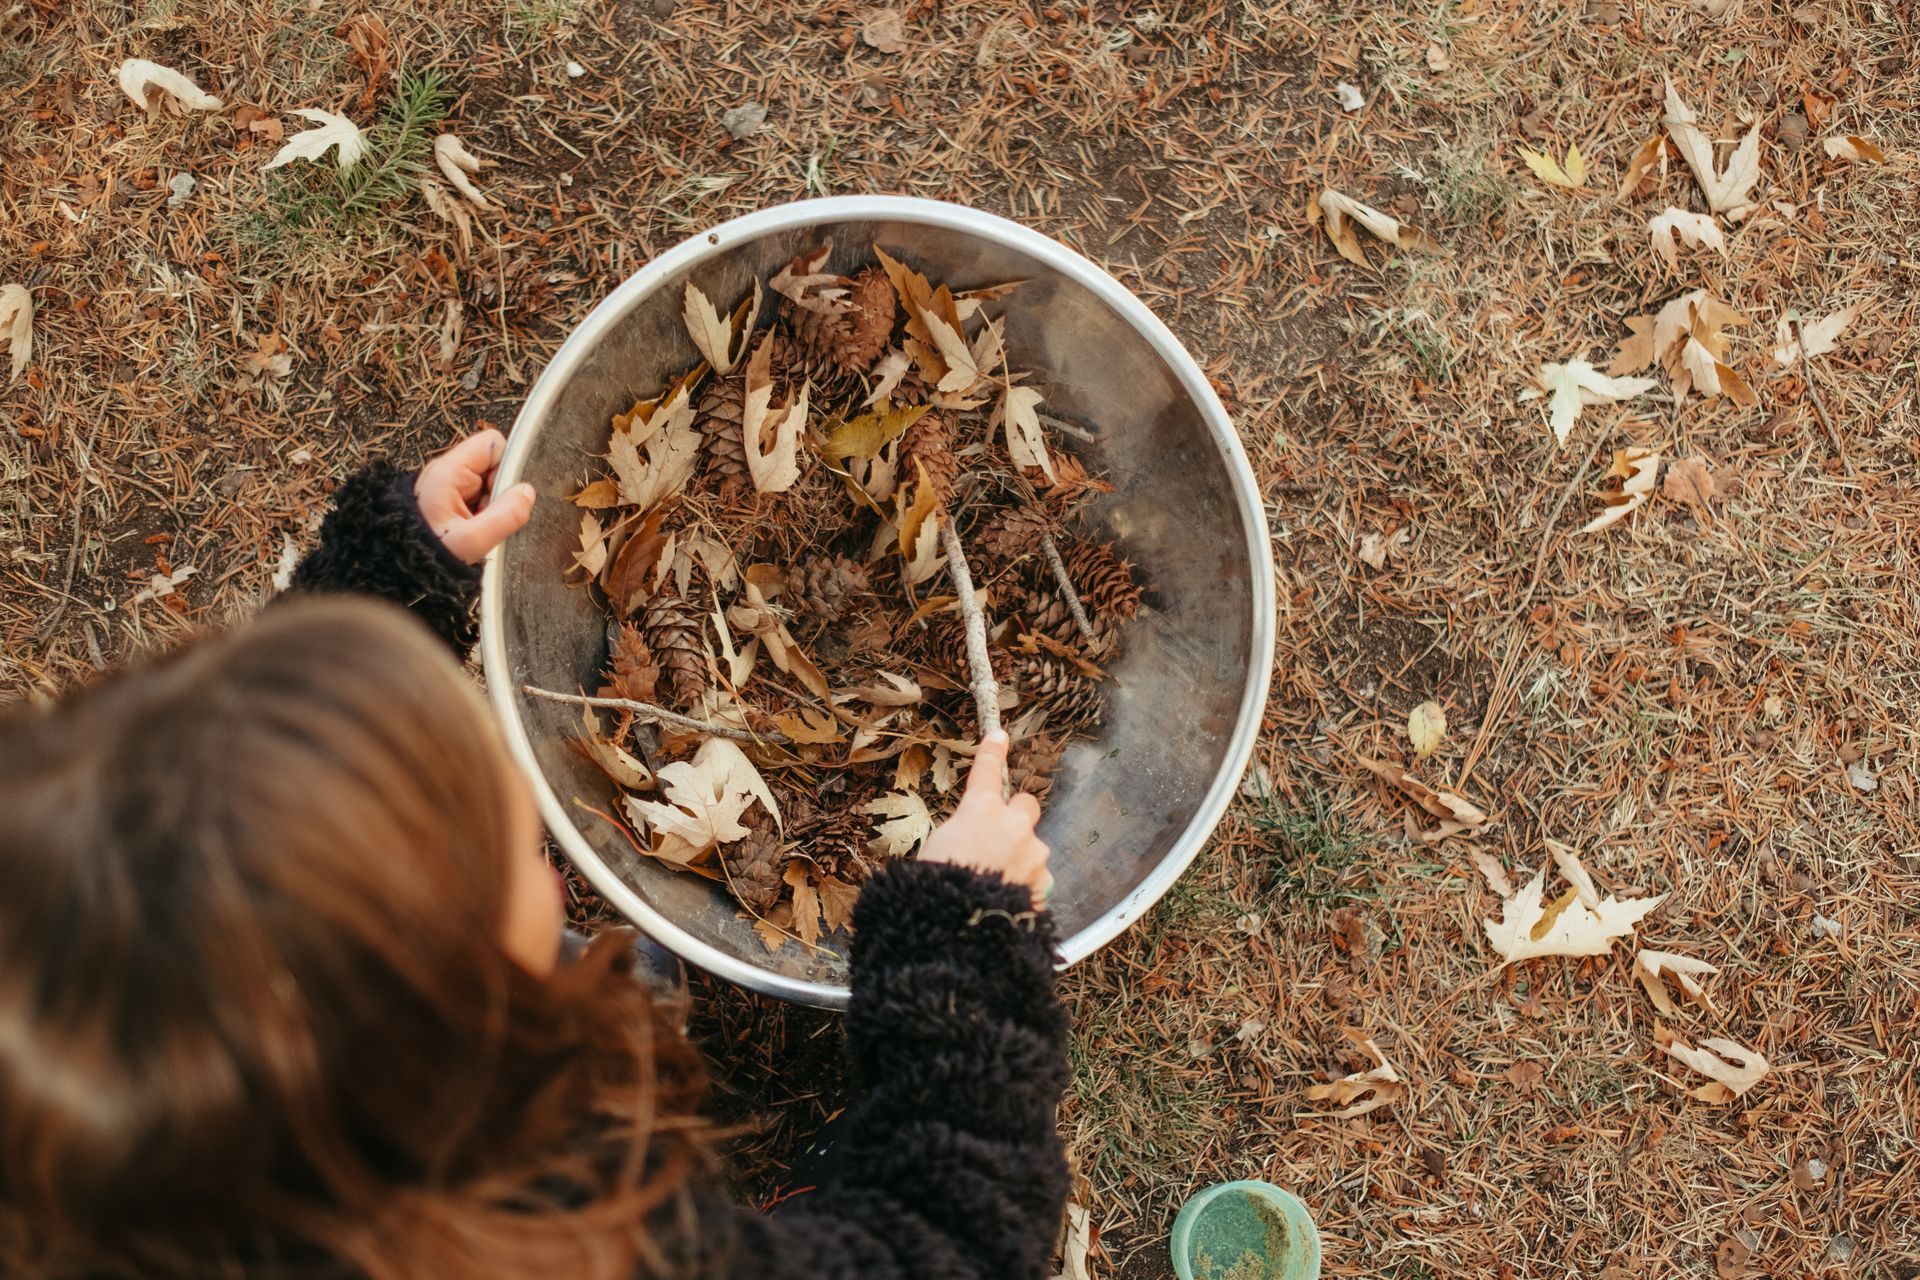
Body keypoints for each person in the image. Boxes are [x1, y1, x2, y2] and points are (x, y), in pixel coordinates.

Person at [0, 430, 1067, 1280]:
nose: (542, 838)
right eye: (512, 850)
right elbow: (957, 1239)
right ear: (435, 1049)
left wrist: (378, 594)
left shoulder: (124, 1128)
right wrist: (962, 952)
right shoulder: (576, 1242)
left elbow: (222, 811)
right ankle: (807, 1194)